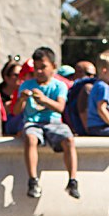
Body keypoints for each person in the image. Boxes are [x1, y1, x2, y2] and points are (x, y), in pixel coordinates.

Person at [17, 46, 79, 200]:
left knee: (69, 140)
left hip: (53, 122)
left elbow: (60, 108)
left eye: (43, 67)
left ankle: (72, 180)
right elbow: (16, 111)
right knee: (31, 138)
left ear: (53, 67)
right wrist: (22, 99)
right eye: (36, 68)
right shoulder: (26, 85)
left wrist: (44, 100)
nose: (39, 71)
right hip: (33, 122)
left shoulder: (59, 86)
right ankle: (33, 180)